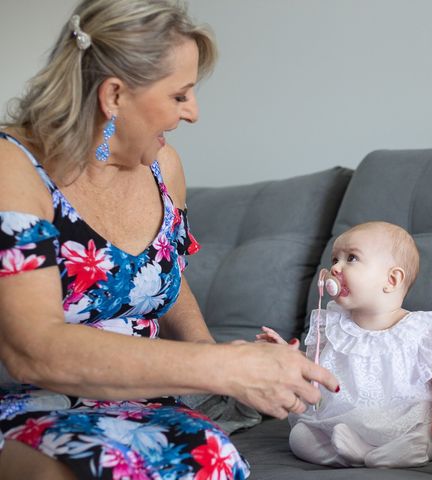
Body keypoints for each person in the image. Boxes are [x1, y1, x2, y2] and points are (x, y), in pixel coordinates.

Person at [0, 1, 338, 478]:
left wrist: (221, 374)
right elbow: (33, 351)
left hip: (146, 402)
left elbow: (166, 281)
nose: (194, 113)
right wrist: (224, 366)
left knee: (208, 457)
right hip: (30, 404)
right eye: (180, 95)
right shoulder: (12, 168)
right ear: (114, 95)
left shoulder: (164, 166)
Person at [258, 221, 432, 468]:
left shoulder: (417, 329)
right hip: (346, 420)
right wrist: (287, 354)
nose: (335, 268)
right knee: (300, 437)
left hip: (408, 415)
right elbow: (316, 368)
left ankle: (410, 448)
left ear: (392, 279)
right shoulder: (334, 326)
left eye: (351, 258)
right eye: (335, 259)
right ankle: (355, 452)